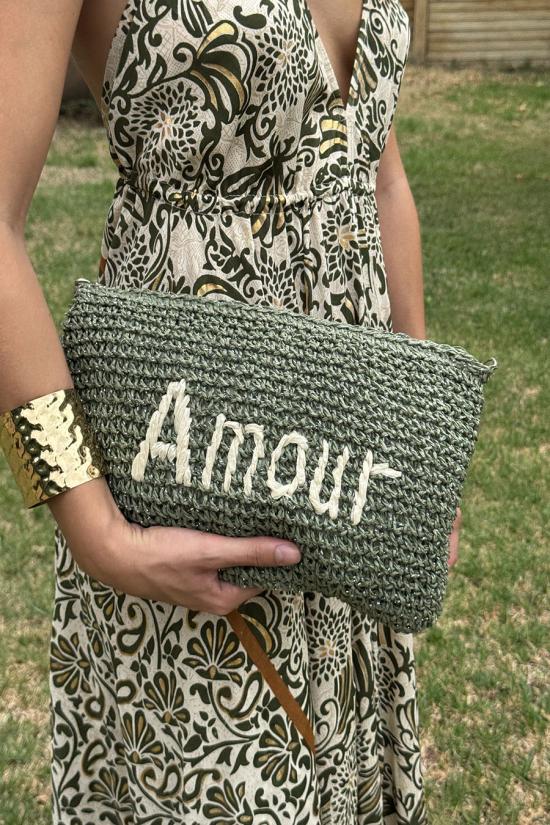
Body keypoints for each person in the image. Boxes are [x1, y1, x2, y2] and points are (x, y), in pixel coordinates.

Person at [0, 0, 462, 821]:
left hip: (349, 466)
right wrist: (98, 534)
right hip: (199, 459)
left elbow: (379, 175)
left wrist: (423, 434)